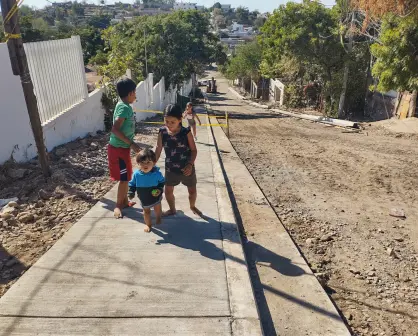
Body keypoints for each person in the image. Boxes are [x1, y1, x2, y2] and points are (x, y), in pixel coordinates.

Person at [155, 104, 202, 217]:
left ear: (180, 120)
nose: (169, 125)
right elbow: (158, 148)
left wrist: (190, 165)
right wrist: (152, 163)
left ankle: (192, 206)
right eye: (166, 121)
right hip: (170, 168)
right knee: (168, 191)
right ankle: (172, 209)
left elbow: (194, 150)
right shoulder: (162, 132)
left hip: (187, 168)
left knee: (192, 191)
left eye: (172, 122)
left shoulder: (186, 132)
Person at [108, 77, 141, 219]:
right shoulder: (123, 107)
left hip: (123, 149)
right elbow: (115, 129)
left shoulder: (125, 106)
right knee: (124, 178)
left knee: (126, 176)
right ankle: (118, 206)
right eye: (135, 92)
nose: (136, 95)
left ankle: (125, 202)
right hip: (118, 150)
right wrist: (131, 143)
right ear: (130, 93)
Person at [128, 149, 165, 232]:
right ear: (138, 163)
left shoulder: (157, 174)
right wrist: (131, 191)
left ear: (154, 163)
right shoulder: (136, 174)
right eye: (143, 162)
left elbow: (162, 182)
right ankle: (148, 225)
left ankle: (158, 217)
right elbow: (132, 183)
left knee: (157, 208)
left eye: (148, 162)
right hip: (144, 197)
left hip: (156, 196)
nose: (146, 165)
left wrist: (159, 189)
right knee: (146, 212)